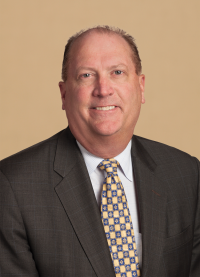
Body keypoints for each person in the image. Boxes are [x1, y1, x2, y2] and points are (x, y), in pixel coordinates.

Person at [0, 26, 199, 277]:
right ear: (63, 94)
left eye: (117, 72)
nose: (103, 89)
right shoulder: (13, 186)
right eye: (86, 75)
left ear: (141, 87)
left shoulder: (186, 174)